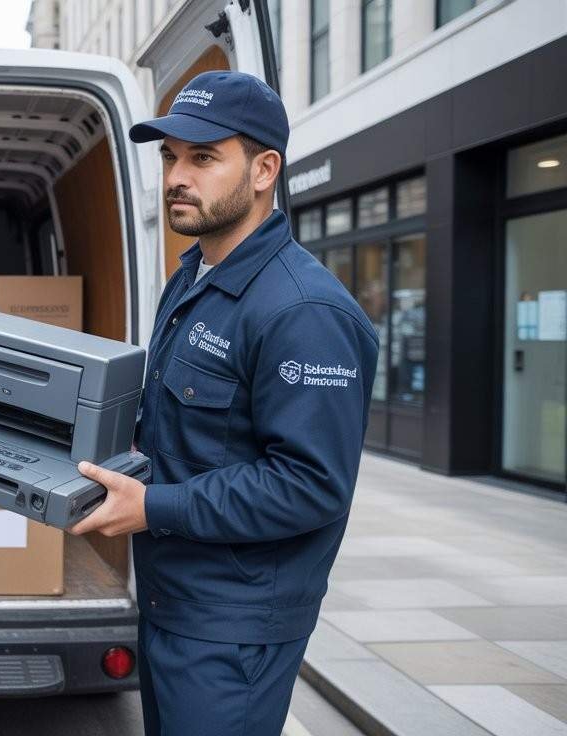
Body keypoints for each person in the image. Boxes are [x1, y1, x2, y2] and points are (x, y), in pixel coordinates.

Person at [70, 71, 379, 735]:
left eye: (204, 158)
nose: (177, 177)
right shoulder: (192, 277)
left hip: (233, 630)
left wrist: (153, 506)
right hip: (173, 601)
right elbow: (180, 432)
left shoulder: (305, 311)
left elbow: (310, 484)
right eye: (170, 157)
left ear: (264, 170)